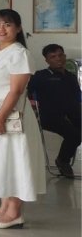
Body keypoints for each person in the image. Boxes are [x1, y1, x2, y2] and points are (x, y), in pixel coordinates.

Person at [0, 9, 45, 229]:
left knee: (14, 160)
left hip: (11, 116)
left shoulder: (19, 53)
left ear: (18, 28)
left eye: (7, 24)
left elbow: (16, 91)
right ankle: (3, 207)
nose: (1, 29)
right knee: (0, 160)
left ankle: (15, 212)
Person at [28, 44, 81, 178]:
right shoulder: (41, 76)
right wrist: (32, 102)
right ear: (47, 60)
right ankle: (62, 160)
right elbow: (26, 93)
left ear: (64, 56)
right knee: (74, 135)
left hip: (71, 113)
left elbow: (77, 98)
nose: (58, 59)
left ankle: (64, 158)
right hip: (48, 115)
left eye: (60, 55)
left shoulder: (70, 77)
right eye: (53, 57)